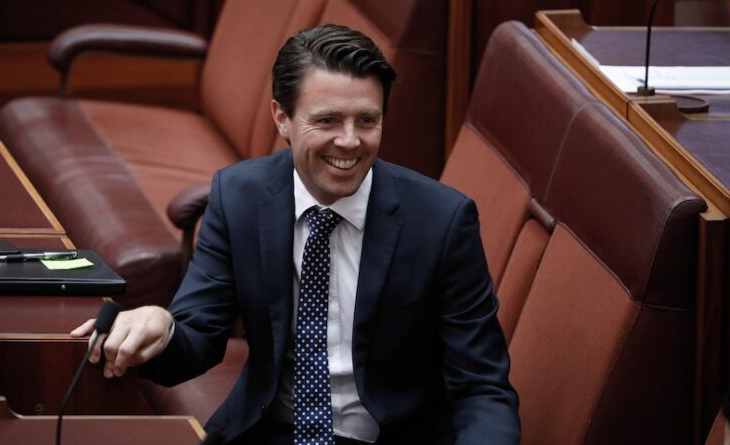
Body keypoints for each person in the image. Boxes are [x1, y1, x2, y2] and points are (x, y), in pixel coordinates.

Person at [72, 23, 520, 445]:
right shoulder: (239, 198)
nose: (350, 141)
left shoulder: (442, 221)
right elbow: (198, 341)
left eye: (367, 120)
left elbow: (482, 389)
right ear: (282, 118)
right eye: (327, 121)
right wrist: (162, 327)